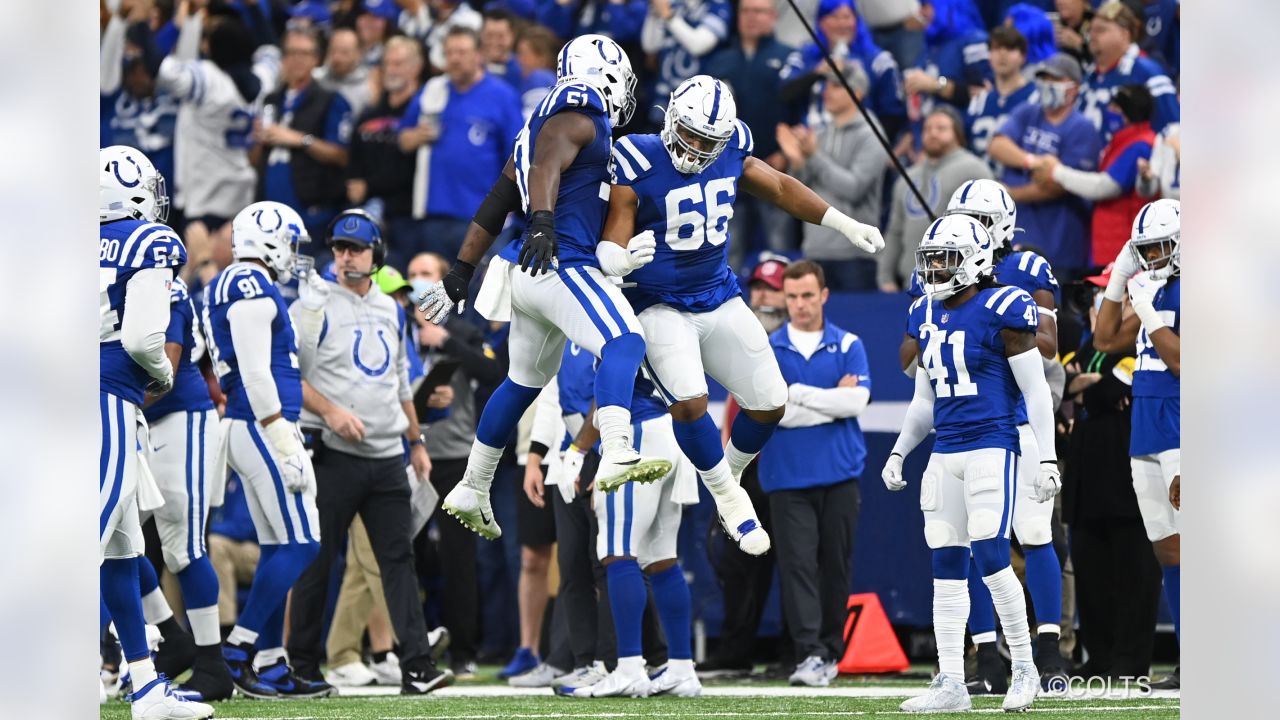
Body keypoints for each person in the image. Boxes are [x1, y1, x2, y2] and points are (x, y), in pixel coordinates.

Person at [601, 75, 885, 555]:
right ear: (670, 118)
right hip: (657, 302)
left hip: (717, 292)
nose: (693, 148)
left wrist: (843, 222)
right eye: (688, 134)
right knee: (689, 402)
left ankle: (726, 476)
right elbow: (612, 235)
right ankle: (731, 500)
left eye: (706, 141)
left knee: (770, 401)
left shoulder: (734, 145)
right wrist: (620, 260)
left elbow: (777, 185)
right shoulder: (638, 156)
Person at [415, 35, 671, 541]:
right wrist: (544, 222)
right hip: (561, 263)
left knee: (523, 382)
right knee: (624, 342)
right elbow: (549, 157)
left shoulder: (535, 126)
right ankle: (617, 448)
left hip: (528, 271)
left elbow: (496, 200)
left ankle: (472, 483)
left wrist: (460, 273)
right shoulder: (581, 113)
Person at [882, 214, 1059, 712]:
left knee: (991, 554)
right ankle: (953, 682)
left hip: (992, 443)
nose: (935, 269)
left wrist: (1045, 458)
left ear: (976, 261)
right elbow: (923, 400)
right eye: (931, 259)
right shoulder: (925, 312)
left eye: (945, 259)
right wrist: (899, 450)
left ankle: (1024, 668)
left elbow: (1036, 390)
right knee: (945, 561)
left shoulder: (1004, 305)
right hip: (945, 448)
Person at [282, 210, 455, 695]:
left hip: (385, 456)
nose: (344, 256)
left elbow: (400, 377)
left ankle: (416, 667)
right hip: (333, 452)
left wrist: (415, 440)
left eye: (354, 249)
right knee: (319, 560)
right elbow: (290, 377)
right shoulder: (312, 304)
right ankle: (301, 665)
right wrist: (331, 411)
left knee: (398, 560)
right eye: (338, 248)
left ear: (375, 254)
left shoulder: (389, 307)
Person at [925, 179, 1071, 689]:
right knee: (962, 541)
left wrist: (982, 304)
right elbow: (915, 355)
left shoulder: (1022, 272)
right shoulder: (938, 274)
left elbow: (1047, 346)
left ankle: (1047, 652)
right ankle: (984, 656)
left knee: (1033, 532)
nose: (971, 232)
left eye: (982, 223)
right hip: (965, 424)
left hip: (1022, 423)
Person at [99, 145, 214, 720]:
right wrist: (165, 372)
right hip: (105, 400)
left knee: (123, 547)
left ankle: (145, 686)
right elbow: (145, 341)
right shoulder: (150, 241)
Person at [202, 200, 326, 699]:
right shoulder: (245, 282)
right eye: (291, 242)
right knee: (303, 543)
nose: (294, 254)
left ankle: (272, 664)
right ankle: (239, 650)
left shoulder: (257, 286)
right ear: (270, 238)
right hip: (259, 424)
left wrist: (313, 311)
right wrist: (280, 434)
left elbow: (297, 366)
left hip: (259, 422)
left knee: (279, 545)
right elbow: (255, 372)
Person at [554, 376, 703, 698]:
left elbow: (611, 387)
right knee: (662, 557)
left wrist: (579, 447)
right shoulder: (676, 325)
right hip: (669, 431)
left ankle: (629, 668)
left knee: (617, 550)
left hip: (635, 434)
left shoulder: (622, 327)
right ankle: (681, 669)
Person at [763, 260, 873, 687]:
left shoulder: (849, 343)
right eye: (792, 297)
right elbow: (774, 415)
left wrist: (798, 395)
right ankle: (809, 653)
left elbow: (857, 403)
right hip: (787, 477)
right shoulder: (769, 348)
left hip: (840, 473)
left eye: (807, 295)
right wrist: (828, 400)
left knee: (835, 567)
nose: (800, 305)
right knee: (797, 567)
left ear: (824, 295)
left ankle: (830, 652)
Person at [1090, 198, 1180, 689]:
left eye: (1162, 247)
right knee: (1169, 550)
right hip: (1145, 426)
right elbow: (1104, 340)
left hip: (1185, 422)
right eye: (1143, 250)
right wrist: (1119, 281)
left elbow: (1186, 363)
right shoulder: (1156, 285)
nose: (1152, 257)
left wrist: (1146, 307)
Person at [407, 252, 506, 676]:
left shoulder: (461, 329)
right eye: (411, 274)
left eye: (426, 274)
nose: (417, 281)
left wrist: (445, 342)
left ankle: (463, 650)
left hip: (453, 455)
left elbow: (494, 371)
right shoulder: (392, 328)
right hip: (405, 455)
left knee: (459, 559)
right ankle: (406, 646)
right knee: (401, 558)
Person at [1060, 270, 1162, 682]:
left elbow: (1104, 393)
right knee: (1090, 568)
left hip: (1128, 467)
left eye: (1106, 295)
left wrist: (1084, 388)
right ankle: (1098, 656)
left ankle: (1131, 661)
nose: (1096, 303)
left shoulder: (1143, 343)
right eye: (1096, 296)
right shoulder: (1086, 347)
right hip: (1086, 471)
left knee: (1135, 569)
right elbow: (1064, 383)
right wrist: (1081, 387)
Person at [139, 272, 234, 701]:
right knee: (111, 541)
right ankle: (171, 637)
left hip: (181, 417)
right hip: (136, 418)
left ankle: (212, 663)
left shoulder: (161, 279)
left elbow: (168, 368)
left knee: (183, 546)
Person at [697, 256, 789, 679]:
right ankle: (736, 648)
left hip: (781, 464)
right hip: (743, 464)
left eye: (772, 288)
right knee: (736, 561)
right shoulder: (741, 331)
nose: (763, 296)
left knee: (790, 562)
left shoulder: (791, 340)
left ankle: (794, 650)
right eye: (759, 287)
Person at [397, 27, 524, 262]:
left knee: (482, 294)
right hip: (434, 213)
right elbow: (402, 139)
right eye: (449, 53)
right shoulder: (433, 91)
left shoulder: (502, 96)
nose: (454, 59)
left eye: (462, 52)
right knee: (434, 292)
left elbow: (518, 156)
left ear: (479, 55)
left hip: (485, 218)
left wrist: (508, 207)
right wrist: (414, 136)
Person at [156, 9, 279, 232]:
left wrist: (182, 23)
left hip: (204, 198)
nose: (204, 45)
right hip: (242, 195)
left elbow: (163, 68)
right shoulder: (262, 79)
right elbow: (270, 51)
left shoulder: (208, 78)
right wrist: (255, 10)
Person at [703, 0, 799, 265]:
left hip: (774, 165)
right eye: (746, 11)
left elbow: (801, 112)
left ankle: (782, 298)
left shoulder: (790, 58)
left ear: (773, 16)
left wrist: (785, 152)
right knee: (725, 247)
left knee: (779, 247)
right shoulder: (720, 60)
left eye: (759, 11)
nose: (751, 17)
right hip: (728, 168)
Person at [989, 53, 1103, 276]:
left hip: (1059, 243)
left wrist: (1010, 193)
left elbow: (1057, 186)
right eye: (1044, 78)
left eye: (1055, 80)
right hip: (1016, 236)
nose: (1046, 85)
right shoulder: (1028, 112)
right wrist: (1033, 162)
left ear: (1073, 88)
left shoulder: (1083, 127)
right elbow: (997, 145)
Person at [777, 62, 884, 290]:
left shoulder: (871, 135)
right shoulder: (821, 132)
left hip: (854, 255)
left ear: (857, 93)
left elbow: (854, 189)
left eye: (836, 86)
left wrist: (814, 156)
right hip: (815, 250)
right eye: (826, 85)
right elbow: (805, 189)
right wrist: (797, 162)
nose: (827, 91)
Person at [254, 27, 353, 248]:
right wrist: (255, 141)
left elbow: (341, 155)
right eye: (290, 53)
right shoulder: (271, 100)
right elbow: (254, 160)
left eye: (304, 53)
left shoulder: (331, 100)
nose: (296, 60)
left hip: (311, 215)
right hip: (268, 214)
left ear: (316, 59)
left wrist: (300, 139)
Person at [1037, 84, 1155, 267]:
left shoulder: (1140, 145)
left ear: (1128, 111)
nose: (1109, 111)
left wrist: (1057, 172)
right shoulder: (1123, 141)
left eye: (1115, 107)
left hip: (1122, 247)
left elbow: (1106, 187)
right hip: (1110, 244)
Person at [879, 106, 992, 291]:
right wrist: (885, 276)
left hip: (960, 286)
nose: (933, 133)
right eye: (927, 128)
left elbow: (988, 229)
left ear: (957, 133)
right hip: (910, 284)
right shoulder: (906, 178)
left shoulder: (975, 170)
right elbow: (895, 231)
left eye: (941, 128)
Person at [346, 36, 426, 272]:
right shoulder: (369, 113)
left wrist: (368, 186)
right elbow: (354, 158)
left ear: (416, 67)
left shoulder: (422, 113)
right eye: (387, 64)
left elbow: (410, 169)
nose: (391, 70)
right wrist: (356, 183)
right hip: (367, 214)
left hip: (407, 218)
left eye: (398, 64)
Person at [780, 0, 907, 138]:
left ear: (856, 21)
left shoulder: (878, 60)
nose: (842, 24)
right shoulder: (804, 56)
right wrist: (817, 73)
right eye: (834, 17)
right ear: (821, 22)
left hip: (859, 144)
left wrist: (873, 145)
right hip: (809, 143)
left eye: (846, 17)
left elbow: (893, 112)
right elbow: (784, 94)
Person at [1080, 1, 1178, 138]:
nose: (1093, 35)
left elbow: (1173, 129)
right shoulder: (1091, 74)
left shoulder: (1148, 73)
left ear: (1124, 35)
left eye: (1101, 30)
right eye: (1091, 29)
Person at [641, 0, 732, 124]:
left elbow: (699, 45)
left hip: (700, 99)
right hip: (665, 93)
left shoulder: (718, 5)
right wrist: (654, 14)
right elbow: (650, 46)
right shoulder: (673, 3)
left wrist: (668, 16)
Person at [965, 25, 1036, 165]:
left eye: (1010, 48)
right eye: (996, 48)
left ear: (1023, 56)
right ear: (989, 55)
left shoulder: (1035, 98)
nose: (1002, 54)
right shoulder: (979, 101)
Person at [315, 27, 375, 118]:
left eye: (344, 52)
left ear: (358, 54)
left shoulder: (368, 88)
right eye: (333, 51)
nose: (337, 57)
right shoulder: (316, 78)